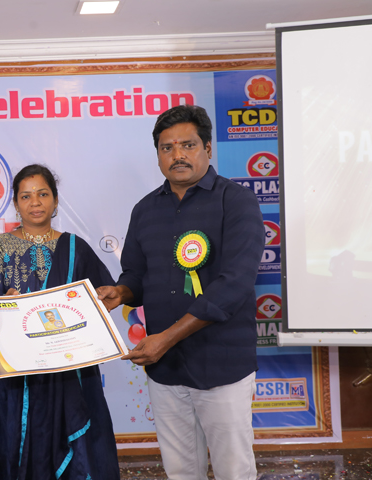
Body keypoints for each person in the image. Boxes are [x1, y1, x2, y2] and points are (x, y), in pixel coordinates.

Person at [97, 104, 265, 480]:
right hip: (166, 370)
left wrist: (167, 338)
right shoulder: (144, 210)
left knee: (234, 471)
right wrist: (121, 292)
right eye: (167, 147)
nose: (178, 155)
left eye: (188, 145)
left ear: (208, 148)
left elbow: (234, 284)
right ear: (158, 155)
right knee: (180, 471)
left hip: (221, 364)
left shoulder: (236, 201)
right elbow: (137, 276)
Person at [0, 164, 120, 480]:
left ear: (55, 200)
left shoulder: (75, 247)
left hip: (68, 369)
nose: (35, 202)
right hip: (15, 371)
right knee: (14, 443)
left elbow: (103, 299)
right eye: (26, 196)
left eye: (43, 194)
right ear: (16, 203)